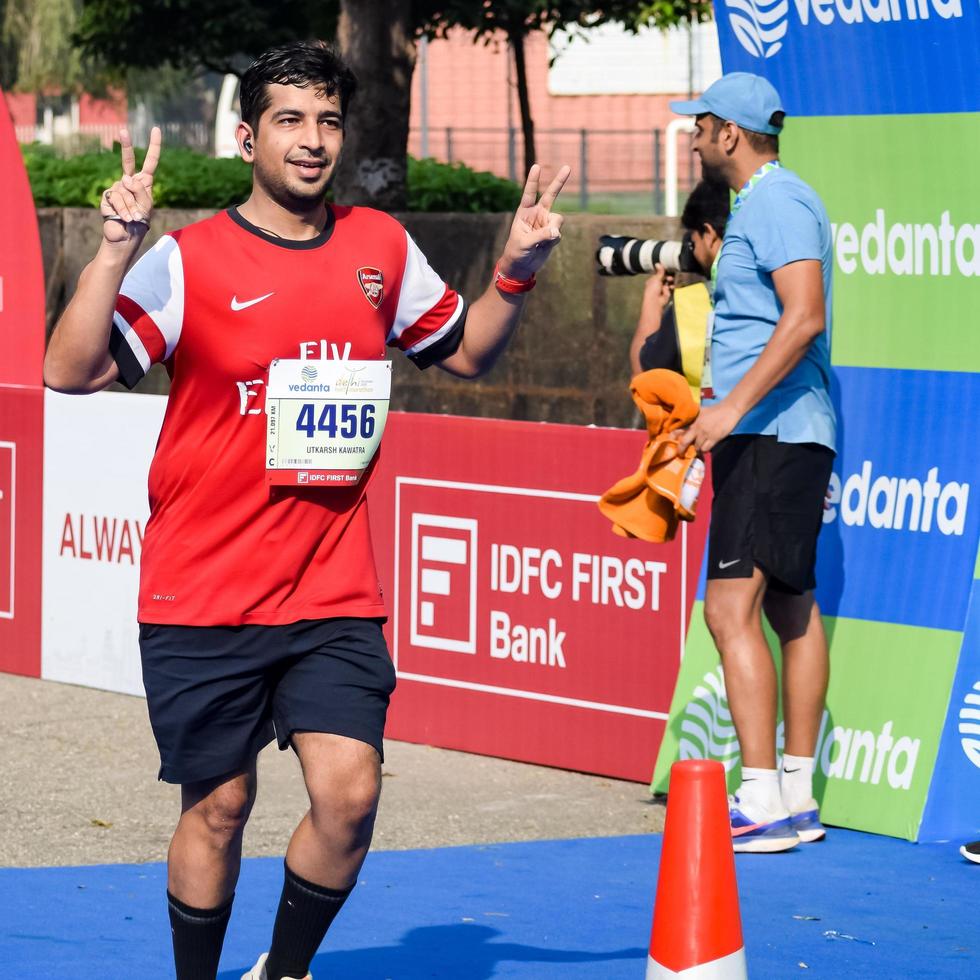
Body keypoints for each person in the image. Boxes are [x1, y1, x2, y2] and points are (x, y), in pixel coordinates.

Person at [42, 41, 569, 980]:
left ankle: (284, 971)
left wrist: (517, 270)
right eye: (289, 120)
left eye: (329, 121)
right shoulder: (189, 260)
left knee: (350, 794)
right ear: (248, 137)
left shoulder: (379, 247)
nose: (313, 140)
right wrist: (116, 250)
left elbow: (468, 351)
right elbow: (68, 370)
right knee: (219, 807)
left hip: (331, 588)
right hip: (203, 590)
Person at [671, 73, 837, 853]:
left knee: (727, 610)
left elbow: (804, 316)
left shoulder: (775, 201)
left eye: (699, 126)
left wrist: (730, 410)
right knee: (787, 607)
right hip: (775, 433)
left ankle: (762, 798)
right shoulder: (761, 206)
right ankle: (796, 798)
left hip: (770, 433)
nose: (693, 138)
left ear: (730, 132)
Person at [628, 178, 729, 381]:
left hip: (706, 413)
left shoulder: (691, 306)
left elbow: (646, 383)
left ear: (708, 234)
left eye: (692, 242)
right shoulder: (783, 291)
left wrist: (652, 304)